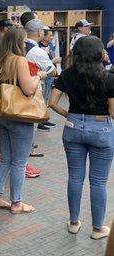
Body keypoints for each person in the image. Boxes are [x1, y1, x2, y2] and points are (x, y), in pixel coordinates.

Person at [49, 36, 114, 240]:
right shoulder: (109, 78)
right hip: (101, 129)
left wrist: (68, 114)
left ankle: (74, 222)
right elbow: (113, 112)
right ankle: (97, 229)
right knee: (99, 182)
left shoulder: (66, 75)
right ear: (98, 53)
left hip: (73, 127)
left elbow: (51, 102)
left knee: (75, 177)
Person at [0, 27, 47, 213]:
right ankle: (16, 203)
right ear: (19, 43)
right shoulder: (19, 60)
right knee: (19, 162)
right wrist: (37, 76)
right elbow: (29, 89)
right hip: (19, 116)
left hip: (1, 113)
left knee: (5, 158)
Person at [24, 19, 57, 133]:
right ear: (39, 33)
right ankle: (29, 150)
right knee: (30, 126)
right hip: (32, 90)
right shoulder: (38, 51)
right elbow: (53, 72)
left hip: (13, 90)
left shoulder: (16, 46)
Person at [0, 19, 15, 138]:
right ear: (4, 28)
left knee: (1, 102)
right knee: (2, 102)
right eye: (9, 27)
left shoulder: (0, 37)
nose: (11, 29)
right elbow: (1, 58)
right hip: (0, 74)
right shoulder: (1, 38)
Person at [38, 28, 62, 127]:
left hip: (50, 76)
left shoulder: (50, 46)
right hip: (43, 77)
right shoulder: (38, 49)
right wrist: (53, 61)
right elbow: (41, 64)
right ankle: (39, 121)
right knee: (41, 99)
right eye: (50, 35)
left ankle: (44, 118)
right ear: (44, 36)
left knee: (46, 99)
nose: (52, 37)